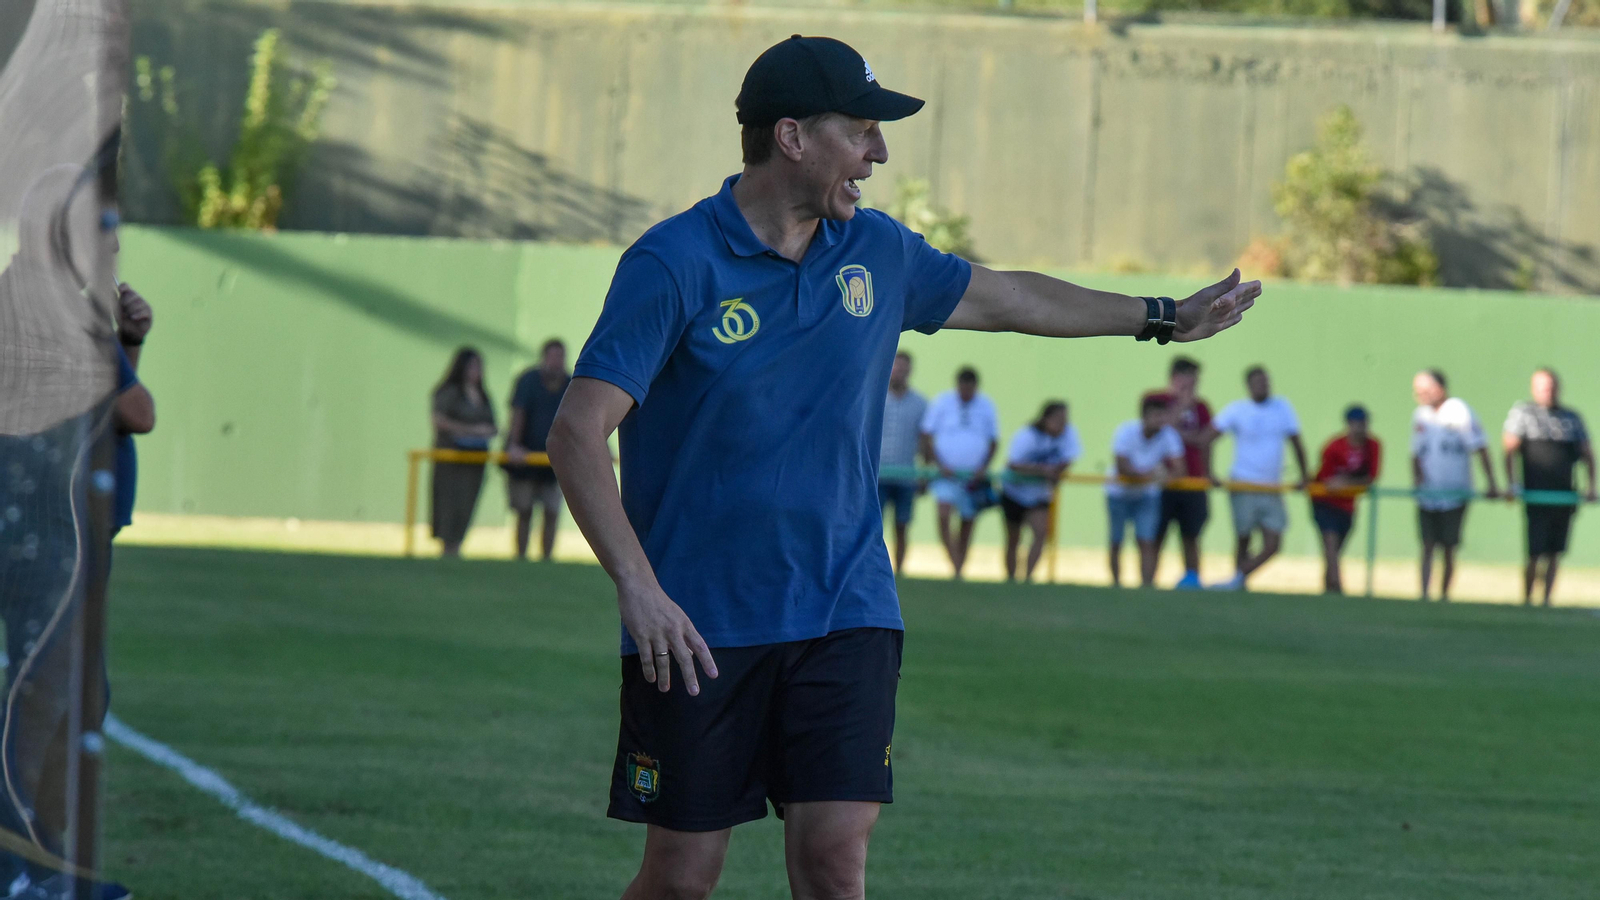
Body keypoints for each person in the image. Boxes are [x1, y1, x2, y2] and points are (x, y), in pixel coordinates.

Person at [543, 34, 1258, 900]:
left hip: (848, 604)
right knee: (683, 877)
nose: (878, 154)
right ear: (792, 138)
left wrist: (1158, 316)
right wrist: (638, 587)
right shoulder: (674, 262)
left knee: (834, 858)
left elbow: (1010, 296)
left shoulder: (876, 252)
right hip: (700, 622)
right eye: (862, 131)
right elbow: (579, 433)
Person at [1205, 366, 1308, 591]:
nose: (1263, 386)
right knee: (1243, 536)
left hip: (1272, 486)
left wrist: (1304, 475)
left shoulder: (1282, 407)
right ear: (1248, 385)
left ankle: (1238, 577)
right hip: (1243, 483)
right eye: (1258, 382)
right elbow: (1209, 438)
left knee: (1273, 542)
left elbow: (1296, 441)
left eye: (1266, 381)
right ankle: (1239, 583)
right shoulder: (1237, 410)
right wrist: (1209, 473)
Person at [1503, 368, 1595, 607]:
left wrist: (1591, 486)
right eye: (1543, 387)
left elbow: (1587, 454)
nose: (1548, 391)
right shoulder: (1523, 413)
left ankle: (1546, 600)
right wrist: (1512, 484)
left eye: (1551, 386)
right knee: (1534, 551)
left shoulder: (1571, 418)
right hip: (1536, 495)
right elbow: (1509, 450)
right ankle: (1527, 598)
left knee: (1555, 552)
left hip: (1563, 496)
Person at [1411, 369, 1499, 602]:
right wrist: (1417, 480)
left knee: (1449, 546)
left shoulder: (1459, 410)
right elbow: (1415, 453)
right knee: (1427, 545)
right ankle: (1424, 595)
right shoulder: (1420, 415)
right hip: (1428, 493)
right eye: (1418, 391)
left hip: (1455, 492)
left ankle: (1444, 595)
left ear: (1440, 388)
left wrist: (1491, 482)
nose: (1420, 395)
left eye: (1425, 390)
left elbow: (1480, 446)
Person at [920, 367, 1000, 579]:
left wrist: (983, 467)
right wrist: (937, 465)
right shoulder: (942, 402)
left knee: (967, 521)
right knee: (944, 514)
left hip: (971, 477)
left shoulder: (986, 405)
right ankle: (954, 561)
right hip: (946, 473)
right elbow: (927, 435)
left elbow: (994, 441)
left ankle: (959, 567)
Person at [1146, 356, 1213, 589]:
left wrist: (1208, 473)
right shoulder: (1156, 400)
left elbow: (1205, 441)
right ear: (1175, 377)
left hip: (1192, 481)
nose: (1193, 386)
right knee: (1155, 535)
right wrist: (1181, 406)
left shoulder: (1202, 407)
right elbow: (1160, 429)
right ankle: (1149, 580)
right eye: (1188, 381)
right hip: (1162, 481)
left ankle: (1193, 580)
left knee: (1191, 535)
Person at [1105, 395, 1185, 588]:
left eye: (1162, 416)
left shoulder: (1168, 435)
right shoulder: (1125, 431)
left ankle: (1146, 586)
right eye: (1156, 416)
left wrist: (1165, 477)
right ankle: (1116, 584)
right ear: (1144, 416)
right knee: (1116, 541)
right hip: (1119, 494)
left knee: (1146, 541)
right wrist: (1152, 475)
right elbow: (1123, 466)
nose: (1160, 421)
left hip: (1147, 496)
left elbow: (1179, 469)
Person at [506, 339, 571, 561]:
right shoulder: (528, 381)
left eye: (560, 357)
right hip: (525, 459)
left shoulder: (570, 384)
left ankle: (547, 559)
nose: (557, 362)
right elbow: (518, 414)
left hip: (555, 463)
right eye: (553, 356)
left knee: (552, 511)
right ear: (544, 357)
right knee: (524, 510)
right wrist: (514, 445)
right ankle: (521, 557)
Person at [1001, 400, 1080, 583]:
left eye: (1065, 419)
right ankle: (1011, 579)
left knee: (1041, 533)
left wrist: (1057, 472)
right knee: (1014, 538)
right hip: (1015, 492)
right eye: (1058, 419)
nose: (1062, 423)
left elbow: (1069, 457)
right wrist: (1042, 470)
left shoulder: (1068, 434)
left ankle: (1028, 577)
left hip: (1039, 494)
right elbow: (1013, 464)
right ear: (1046, 418)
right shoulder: (1027, 435)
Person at [430, 347, 496, 558]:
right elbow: (439, 421)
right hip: (451, 459)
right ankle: (447, 549)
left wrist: (486, 432)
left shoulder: (483, 396)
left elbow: (492, 424)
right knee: (449, 504)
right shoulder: (449, 392)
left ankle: (457, 546)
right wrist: (471, 430)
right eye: (472, 366)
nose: (477, 371)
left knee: (467, 505)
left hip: (475, 460)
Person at [1310, 405, 1382, 595]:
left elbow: (1371, 477)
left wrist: (1346, 483)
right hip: (1325, 503)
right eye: (1356, 423)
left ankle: (1327, 588)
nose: (1361, 428)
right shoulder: (1335, 446)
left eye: (1364, 423)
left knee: (1335, 551)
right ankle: (1337, 588)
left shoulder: (1372, 446)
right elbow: (1326, 480)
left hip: (1347, 505)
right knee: (1331, 546)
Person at [877, 351, 927, 574]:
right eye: (896, 367)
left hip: (906, 475)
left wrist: (925, 473)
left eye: (904, 368)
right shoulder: (875, 398)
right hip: (877, 475)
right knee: (874, 527)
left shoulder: (920, 404)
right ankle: (875, 569)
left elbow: (925, 440)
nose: (899, 373)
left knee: (902, 525)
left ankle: (899, 570)